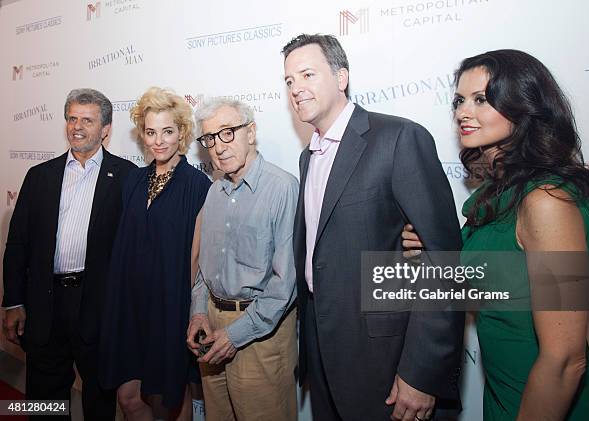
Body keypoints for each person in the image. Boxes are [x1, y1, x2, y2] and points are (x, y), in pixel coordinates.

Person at [402, 49, 589, 420]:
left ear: (524, 106)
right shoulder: (497, 195)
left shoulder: (546, 201)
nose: (463, 112)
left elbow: (564, 361)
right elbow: (498, 287)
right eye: (460, 101)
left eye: (481, 99)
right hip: (504, 399)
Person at [282, 34, 464, 421]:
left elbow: (443, 262)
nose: (296, 89)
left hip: (386, 359)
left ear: (341, 77)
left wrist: (421, 372)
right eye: (289, 81)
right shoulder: (306, 158)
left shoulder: (398, 138)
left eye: (307, 74)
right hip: (323, 354)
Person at [2, 88, 136, 419]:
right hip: (45, 305)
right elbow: (18, 243)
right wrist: (13, 301)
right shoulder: (39, 176)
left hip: (98, 306)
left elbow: (133, 253)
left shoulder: (127, 178)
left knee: (99, 400)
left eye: (87, 120)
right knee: (44, 400)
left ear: (105, 128)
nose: (77, 126)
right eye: (72, 118)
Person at [99, 87, 211, 420]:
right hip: (130, 308)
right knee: (128, 396)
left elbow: (196, 259)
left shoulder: (197, 186)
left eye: (167, 131)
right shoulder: (133, 181)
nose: (158, 140)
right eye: (150, 132)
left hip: (170, 309)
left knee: (168, 402)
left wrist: (190, 312)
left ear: (182, 134)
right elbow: (125, 247)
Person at [186, 97, 299, 421]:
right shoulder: (214, 191)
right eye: (209, 139)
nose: (218, 147)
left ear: (250, 133)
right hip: (212, 328)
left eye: (227, 133)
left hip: (261, 335)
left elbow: (284, 286)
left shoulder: (282, 189)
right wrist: (197, 315)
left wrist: (235, 335)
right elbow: (203, 272)